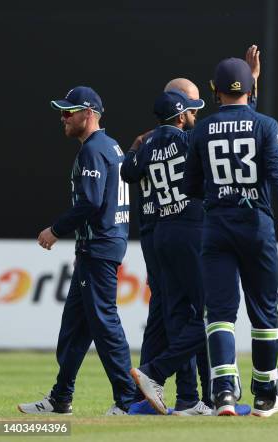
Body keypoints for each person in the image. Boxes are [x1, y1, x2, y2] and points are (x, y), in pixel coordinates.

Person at [182, 56, 278, 417]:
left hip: (216, 227)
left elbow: (190, 185)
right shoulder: (266, 124)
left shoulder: (201, 129)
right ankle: (264, 393)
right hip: (256, 226)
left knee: (221, 313)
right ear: (252, 89)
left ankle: (224, 392)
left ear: (214, 90)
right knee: (264, 310)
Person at [18, 86, 135, 415]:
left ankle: (129, 399)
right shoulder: (109, 146)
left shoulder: (94, 150)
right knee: (75, 328)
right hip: (99, 246)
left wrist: (55, 230)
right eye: (62, 111)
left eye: (69, 111)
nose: (63, 117)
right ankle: (60, 398)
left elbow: (91, 202)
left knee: (104, 322)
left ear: (88, 113)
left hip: (99, 247)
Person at [122, 79, 212, 416]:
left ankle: (188, 397)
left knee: (173, 315)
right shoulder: (188, 140)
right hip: (189, 230)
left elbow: (128, 172)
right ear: (180, 115)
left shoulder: (146, 145)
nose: (193, 115)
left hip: (159, 232)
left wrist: (133, 148)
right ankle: (161, 374)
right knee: (212, 312)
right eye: (190, 109)